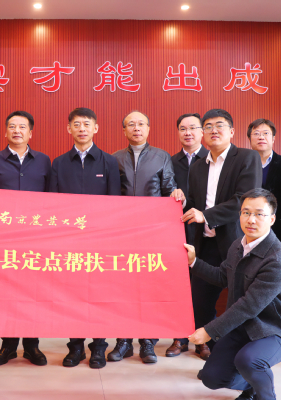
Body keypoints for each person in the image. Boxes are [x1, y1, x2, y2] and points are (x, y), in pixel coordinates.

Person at [186, 188, 281, 400]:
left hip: (274, 330)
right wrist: (193, 262)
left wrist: (209, 331)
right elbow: (222, 276)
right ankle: (252, 384)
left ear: (272, 219)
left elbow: (249, 305)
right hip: (242, 327)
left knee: (249, 361)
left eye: (259, 214)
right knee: (211, 378)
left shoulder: (276, 260)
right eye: (246, 212)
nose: (251, 219)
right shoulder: (238, 245)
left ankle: (265, 394)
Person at [180, 109, 262, 360]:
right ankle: (215, 356)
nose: (213, 130)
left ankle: (241, 360)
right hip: (204, 244)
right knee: (201, 303)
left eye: (220, 125)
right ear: (202, 133)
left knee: (239, 303)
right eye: (208, 126)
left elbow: (244, 200)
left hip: (236, 244)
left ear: (232, 131)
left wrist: (206, 215)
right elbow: (193, 204)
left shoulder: (247, 157)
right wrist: (179, 201)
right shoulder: (197, 167)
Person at [50, 107, 121, 369]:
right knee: (71, 294)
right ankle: (76, 347)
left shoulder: (109, 162)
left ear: (96, 128)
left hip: (100, 241)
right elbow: (52, 204)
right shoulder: (59, 163)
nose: (82, 128)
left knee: (99, 294)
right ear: (69, 128)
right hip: (69, 241)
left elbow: (115, 202)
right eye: (77, 124)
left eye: (87, 124)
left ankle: (99, 347)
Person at [109, 110, 181, 364]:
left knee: (150, 288)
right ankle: (123, 341)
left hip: (153, 234)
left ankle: (148, 342)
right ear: (124, 130)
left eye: (141, 124)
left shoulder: (162, 156)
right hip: (122, 234)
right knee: (122, 289)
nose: (136, 128)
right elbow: (109, 195)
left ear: (148, 129)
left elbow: (169, 189)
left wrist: (177, 194)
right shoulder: (114, 158)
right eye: (131, 124)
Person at [0, 110, 51, 367]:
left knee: (34, 292)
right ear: (6, 131)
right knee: (7, 292)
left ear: (31, 132)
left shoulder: (43, 161)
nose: (17, 131)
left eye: (22, 127)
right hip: (4, 240)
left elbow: (52, 200)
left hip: (36, 239)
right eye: (12, 126)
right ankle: (8, 345)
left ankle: (32, 346)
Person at [167, 112, 209, 358]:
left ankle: (202, 339)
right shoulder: (170, 161)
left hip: (206, 232)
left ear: (202, 132)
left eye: (193, 128)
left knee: (202, 288)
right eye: (183, 129)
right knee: (178, 287)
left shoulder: (212, 158)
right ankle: (179, 338)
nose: (188, 133)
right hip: (178, 231)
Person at [248, 118, 281, 254]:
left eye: (266, 133)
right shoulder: (242, 165)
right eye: (256, 133)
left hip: (280, 230)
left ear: (273, 139)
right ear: (249, 139)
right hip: (249, 228)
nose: (261, 137)